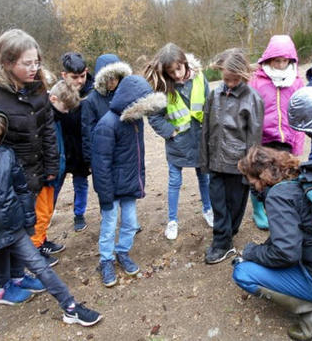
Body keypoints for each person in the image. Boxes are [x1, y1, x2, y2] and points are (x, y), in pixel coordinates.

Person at [0, 97, 102, 340]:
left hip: (12, 227)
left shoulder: (6, 155)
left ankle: (71, 307)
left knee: (41, 266)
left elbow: (21, 190)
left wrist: (28, 221)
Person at [233, 145, 312, 340]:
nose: (248, 183)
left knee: (243, 273)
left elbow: (286, 254)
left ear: (261, 177)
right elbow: (294, 235)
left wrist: (251, 253)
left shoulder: (278, 196)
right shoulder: (304, 178)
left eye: (249, 178)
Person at [0, 29, 62, 303]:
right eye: (27, 63)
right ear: (8, 62)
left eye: (37, 62)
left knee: (22, 228)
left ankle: (18, 275)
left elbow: (47, 129)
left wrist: (51, 164)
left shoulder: (37, 88)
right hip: (0, 180)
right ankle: (2, 286)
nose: (35, 68)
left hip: (31, 175)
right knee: (3, 234)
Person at [91, 75, 166, 287]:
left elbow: (138, 155)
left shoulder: (135, 121)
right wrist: (105, 196)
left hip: (128, 185)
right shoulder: (107, 125)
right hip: (111, 188)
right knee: (108, 226)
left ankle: (122, 252)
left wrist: (139, 181)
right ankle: (106, 260)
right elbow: (100, 164)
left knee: (131, 223)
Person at [200, 48, 264, 264]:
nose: (228, 83)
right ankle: (222, 242)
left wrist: (251, 171)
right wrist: (205, 160)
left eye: (234, 79)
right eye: (225, 79)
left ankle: (229, 231)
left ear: (243, 75)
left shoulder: (252, 98)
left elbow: (254, 138)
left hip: (238, 164)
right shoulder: (214, 94)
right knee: (218, 202)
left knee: (236, 203)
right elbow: (206, 129)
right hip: (216, 161)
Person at [144, 43, 213, 240]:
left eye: (178, 69)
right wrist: (170, 132)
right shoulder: (164, 88)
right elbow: (154, 116)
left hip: (200, 140)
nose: (175, 74)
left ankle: (208, 210)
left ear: (184, 63)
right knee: (174, 182)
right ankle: (172, 220)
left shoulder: (200, 78)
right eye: (170, 71)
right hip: (177, 145)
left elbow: (210, 105)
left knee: (204, 179)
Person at [248, 34, 305, 230]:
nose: (281, 64)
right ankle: (258, 209)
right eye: (277, 60)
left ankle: (281, 208)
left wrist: (297, 141)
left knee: (285, 174)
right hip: (263, 137)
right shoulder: (257, 81)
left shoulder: (297, 81)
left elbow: (301, 113)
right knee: (261, 174)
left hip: (286, 137)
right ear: (269, 59)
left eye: (284, 60)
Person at [54, 52, 93, 232]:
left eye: (82, 76)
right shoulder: (56, 94)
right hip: (60, 150)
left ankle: (79, 214)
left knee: (80, 183)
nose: (79, 81)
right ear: (64, 75)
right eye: (74, 77)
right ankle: (46, 216)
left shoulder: (91, 93)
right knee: (54, 186)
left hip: (80, 149)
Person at [80, 53, 132, 165]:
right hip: (102, 155)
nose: (112, 81)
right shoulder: (91, 100)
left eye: (116, 77)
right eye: (108, 78)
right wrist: (90, 160)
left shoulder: (125, 95)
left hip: (124, 154)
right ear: (101, 78)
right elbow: (87, 132)